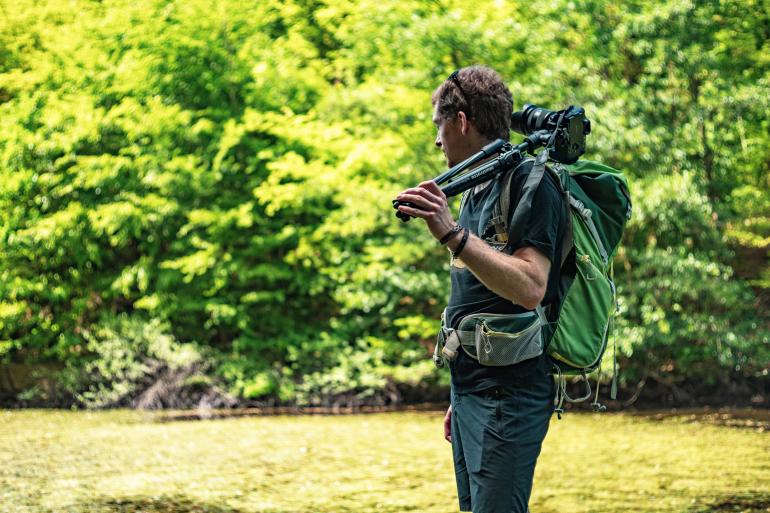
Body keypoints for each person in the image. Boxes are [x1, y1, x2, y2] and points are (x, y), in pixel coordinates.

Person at [394, 65, 568, 513]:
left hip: (508, 397)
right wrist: (460, 394)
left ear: (462, 121)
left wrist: (453, 235)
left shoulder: (532, 183)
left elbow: (531, 286)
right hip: (472, 389)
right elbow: (477, 294)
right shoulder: (475, 187)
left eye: (439, 126)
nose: (437, 140)